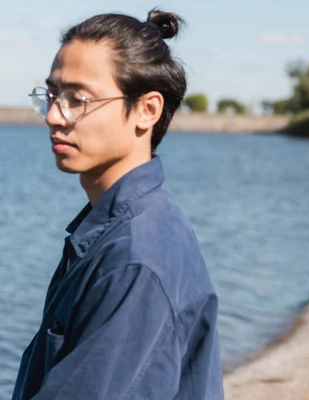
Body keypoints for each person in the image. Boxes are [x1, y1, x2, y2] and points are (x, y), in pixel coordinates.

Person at [12, 9, 223, 400]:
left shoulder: (136, 257)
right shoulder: (116, 228)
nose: (55, 116)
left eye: (78, 99)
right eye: (53, 95)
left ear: (147, 110)